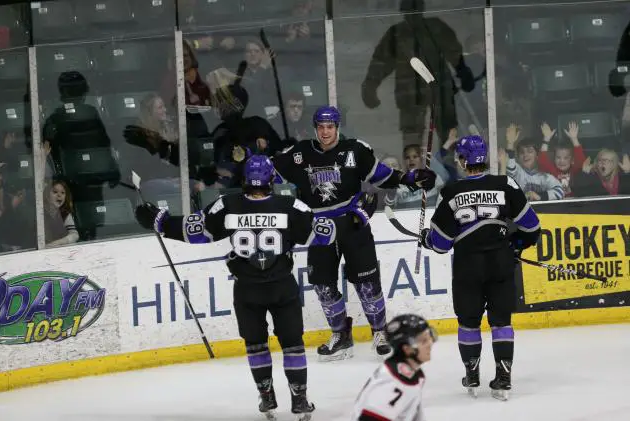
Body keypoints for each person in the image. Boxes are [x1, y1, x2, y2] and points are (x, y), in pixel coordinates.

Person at [135, 155, 337, 420]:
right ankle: (299, 399)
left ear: (244, 180)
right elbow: (325, 234)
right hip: (282, 287)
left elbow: (194, 230)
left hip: (247, 290)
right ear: (271, 180)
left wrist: (160, 220)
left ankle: (267, 397)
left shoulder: (226, 205)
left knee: (255, 345)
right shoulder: (291, 206)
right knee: (293, 344)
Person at [270, 105, 437, 361]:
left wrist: (410, 178)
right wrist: (247, 161)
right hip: (319, 229)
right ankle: (340, 335)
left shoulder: (355, 150)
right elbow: (268, 171)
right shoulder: (299, 153)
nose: (325, 132)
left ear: (337, 127)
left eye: (330, 127)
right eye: (321, 127)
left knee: (367, 282)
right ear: (315, 128)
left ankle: (379, 332)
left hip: (352, 224)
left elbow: (381, 175)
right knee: (323, 285)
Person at [417, 135, 541, 400]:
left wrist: (427, 238)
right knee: (501, 322)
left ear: (462, 160)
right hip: (500, 263)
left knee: (469, 322)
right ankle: (504, 376)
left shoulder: (450, 192)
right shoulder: (505, 184)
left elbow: (440, 244)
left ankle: (472, 374)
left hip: (467, 267)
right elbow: (532, 228)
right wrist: (515, 246)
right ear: (484, 158)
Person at [349, 314, 436, 421]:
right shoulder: (393, 381)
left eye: (430, 338)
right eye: (424, 341)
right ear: (407, 349)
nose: (430, 343)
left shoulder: (412, 373)